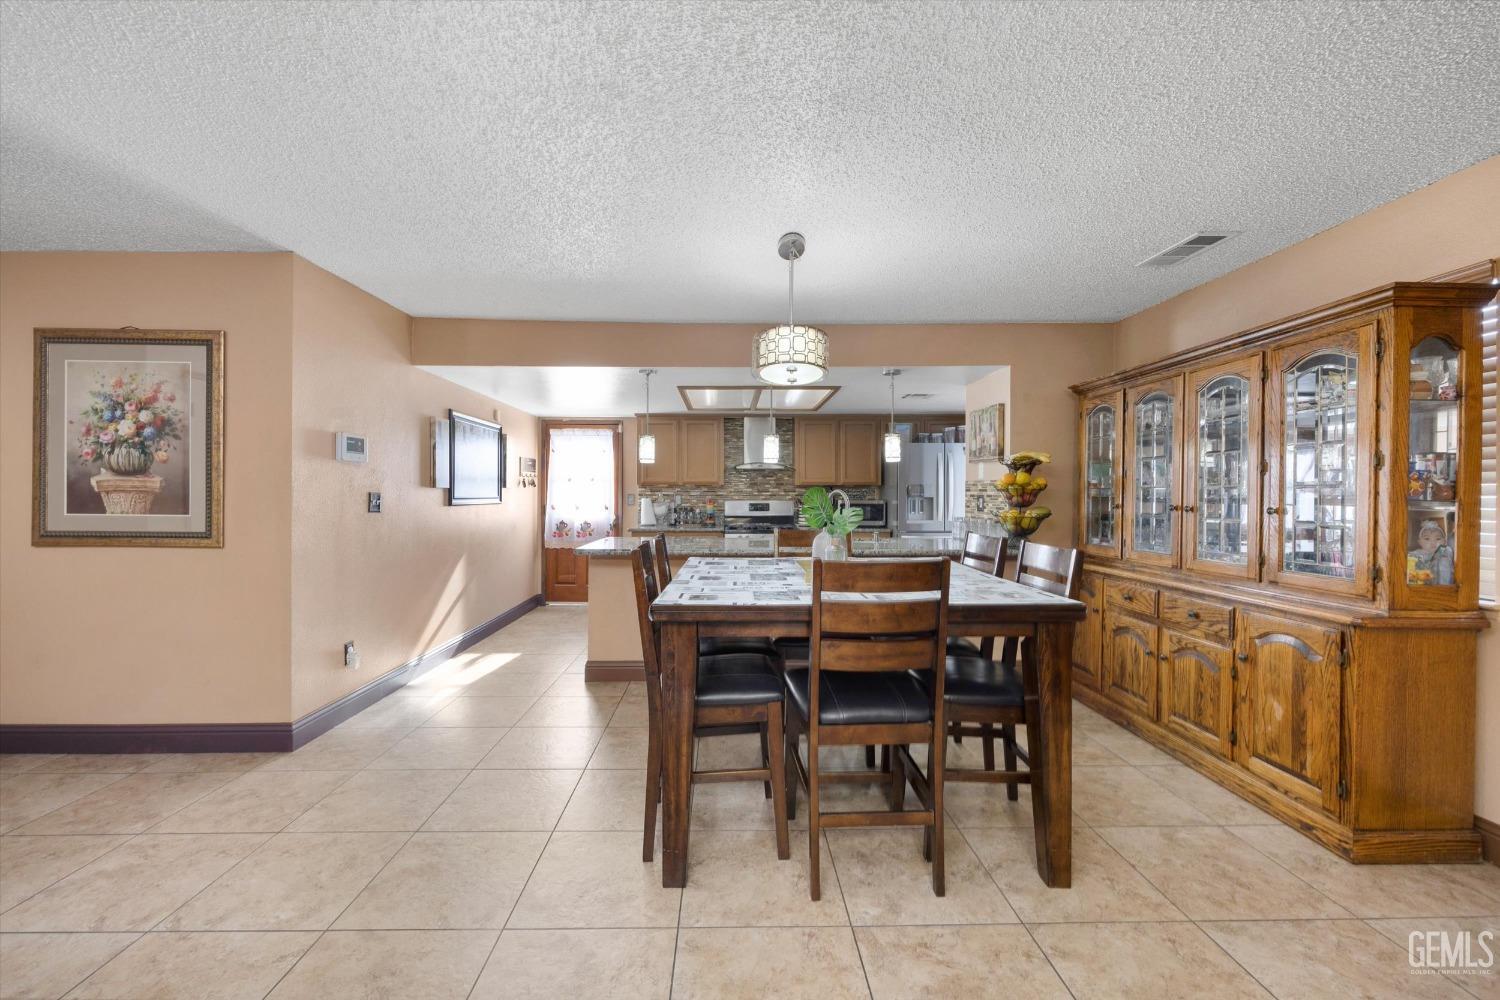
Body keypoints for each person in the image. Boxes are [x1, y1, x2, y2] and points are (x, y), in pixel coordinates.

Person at [1406, 519, 1454, 586]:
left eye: (1438, 539)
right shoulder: (1416, 554)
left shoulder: (1445, 551)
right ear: (1420, 542)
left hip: (1443, 587)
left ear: (1444, 541)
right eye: (1427, 539)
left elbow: (1445, 551)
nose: (1433, 542)